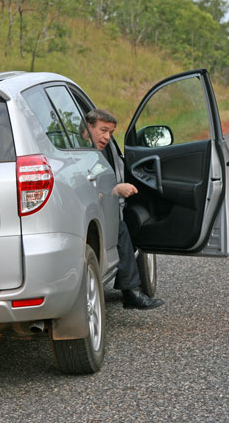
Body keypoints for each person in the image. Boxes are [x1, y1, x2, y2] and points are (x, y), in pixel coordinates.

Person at [85, 108, 164, 310]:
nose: (106, 137)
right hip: (87, 216)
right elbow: (88, 191)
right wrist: (116, 189)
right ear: (87, 127)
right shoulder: (81, 153)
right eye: (103, 130)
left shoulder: (97, 151)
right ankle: (132, 293)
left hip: (100, 212)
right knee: (120, 228)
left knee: (124, 226)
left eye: (110, 133)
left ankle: (131, 290)